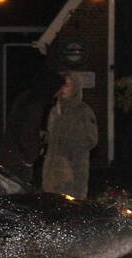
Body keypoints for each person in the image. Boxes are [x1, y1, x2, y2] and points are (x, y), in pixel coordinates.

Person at [0, 70, 65, 185]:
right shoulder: (35, 104)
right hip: (19, 161)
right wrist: (30, 157)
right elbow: (28, 132)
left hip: (10, 156)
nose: (60, 93)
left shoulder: (25, 98)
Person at [41, 71, 98, 199]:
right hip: (52, 171)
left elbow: (91, 140)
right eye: (62, 85)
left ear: (75, 88)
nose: (63, 89)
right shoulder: (55, 110)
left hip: (73, 171)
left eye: (67, 85)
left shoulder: (82, 111)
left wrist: (68, 156)